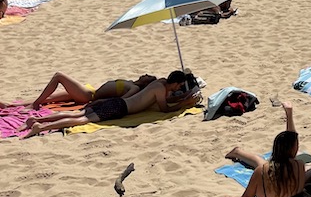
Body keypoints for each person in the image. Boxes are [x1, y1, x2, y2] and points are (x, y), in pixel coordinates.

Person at [22, 70, 199, 137]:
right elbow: (164, 109)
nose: (178, 90)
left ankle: (38, 122)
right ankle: (41, 128)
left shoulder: (160, 83)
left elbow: (168, 98)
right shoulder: (160, 90)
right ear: (175, 83)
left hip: (117, 102)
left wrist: (182, 99)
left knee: (76, 114)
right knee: (81, 120)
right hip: (119, 107)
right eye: (179, 87)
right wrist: (185, 104)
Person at [221, 102, 305, 197]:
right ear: (294, 149)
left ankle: (238, 152)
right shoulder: (299, 166)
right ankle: (238, 152)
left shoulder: (263, 171)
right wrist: (289, 114)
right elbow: (291, 140)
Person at [6, 72, 158, 109]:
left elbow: (123, 101)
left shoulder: (135, 87)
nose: (146, 74)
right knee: (49, 98)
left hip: (87, 96)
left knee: (58, 76)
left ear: (148, 83)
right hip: (89, 90)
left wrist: (98, 102)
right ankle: (9, 105)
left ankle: (35, 104)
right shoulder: (132, 82)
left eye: (149, 76)